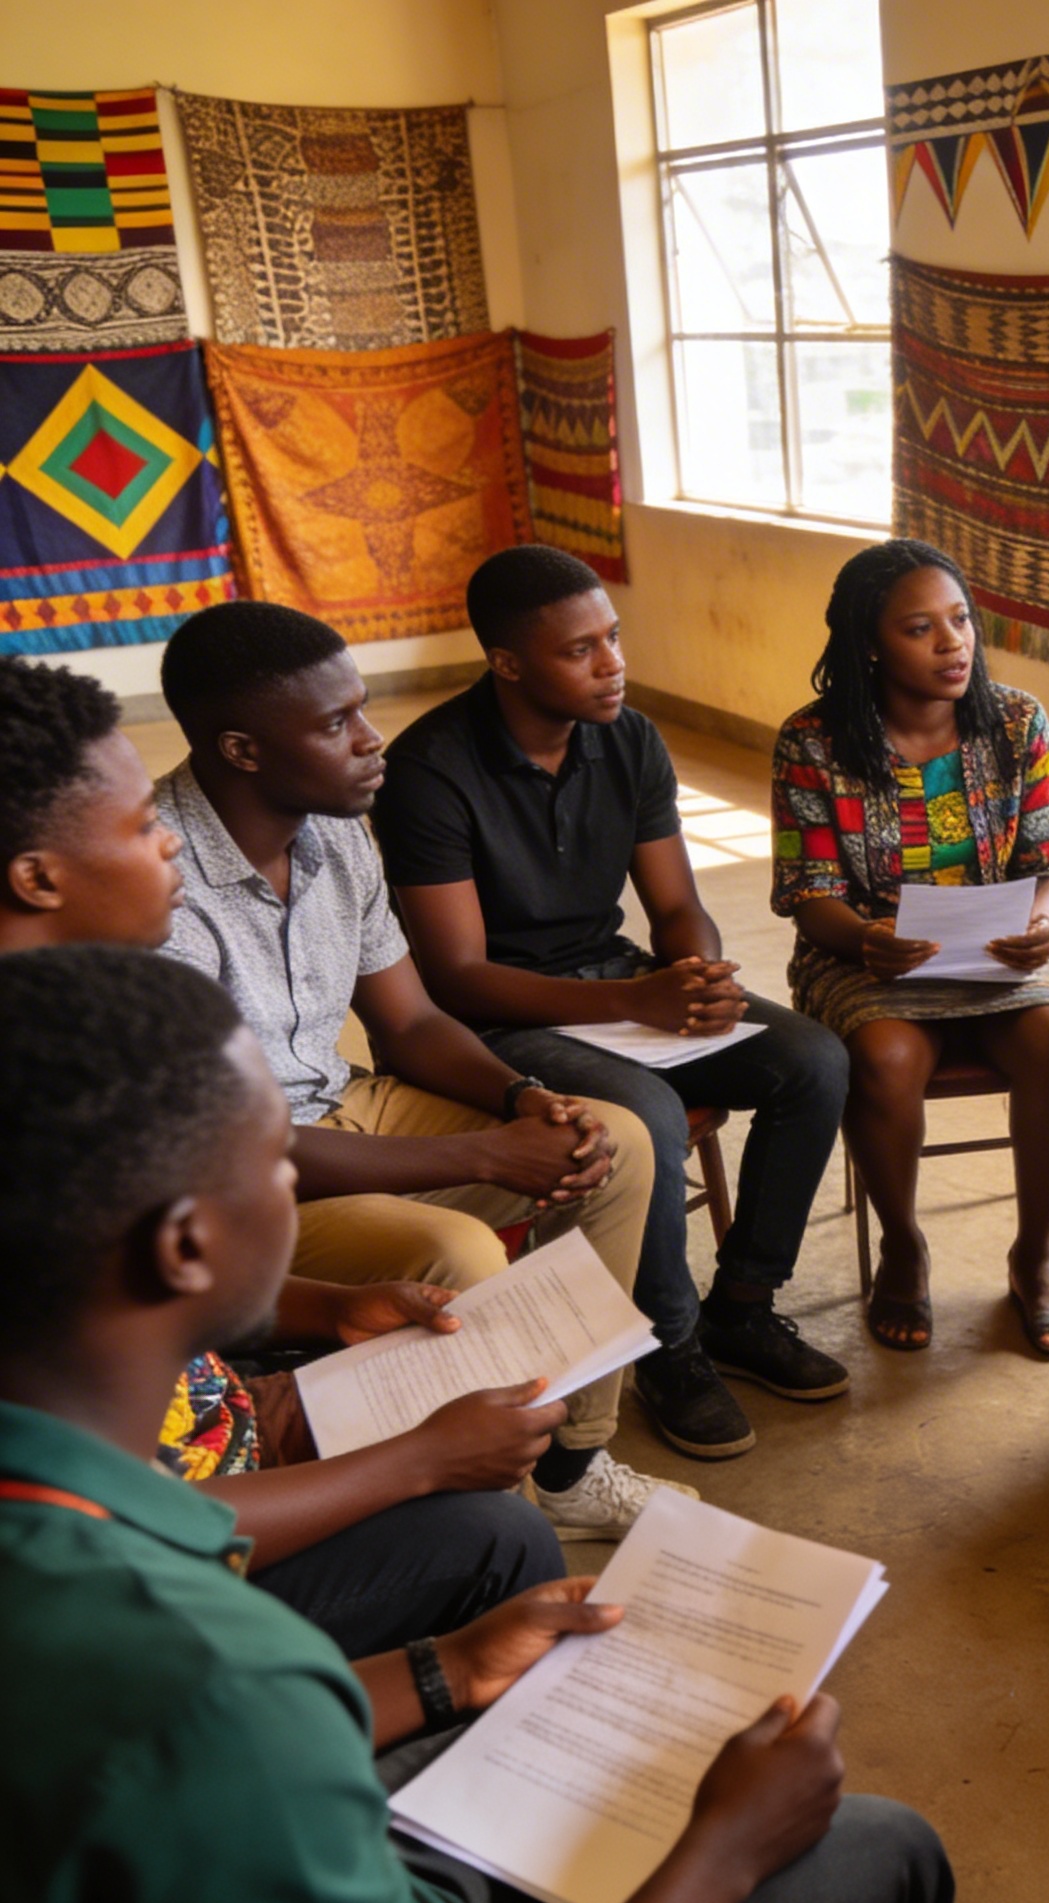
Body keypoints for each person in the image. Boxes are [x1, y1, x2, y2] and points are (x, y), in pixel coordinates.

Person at [0, 944, 955, 1903]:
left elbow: (203, 1764)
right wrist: (720, 1856)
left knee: (508, 1618)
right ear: (187, 1244)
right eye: (277, 1160)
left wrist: (443, 1666)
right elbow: (225, 1744)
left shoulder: (88, 1557)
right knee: (879, 1850)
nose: (297, 1179)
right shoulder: (217, 1686)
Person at [0, 649, 572, 1652]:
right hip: (149, 1538)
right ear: (37, 875)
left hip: (219, 1412)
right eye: (141, 828)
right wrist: (417, 1464)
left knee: (476, 1438)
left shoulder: (92, 1022)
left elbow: (148, 1290)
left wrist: (329, 1306)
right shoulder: (52, 1095)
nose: (168, 845)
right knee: (492, 1533)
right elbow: (110, 1522)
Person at [153, 600, 696, 1541]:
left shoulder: (333, 831)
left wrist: (525, 1100)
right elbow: (233, 1145)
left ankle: (568, 1463)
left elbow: (405, 1020)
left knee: (619, 1145)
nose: (373, 743)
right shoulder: (158, 880)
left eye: (362, 710)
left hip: (347, 1101)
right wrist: (489, 1157)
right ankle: (498, 1523)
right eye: (337, 725)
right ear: (241, 750)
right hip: (240, 1183)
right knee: (458, 1253)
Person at [375, 545, 853, 1459]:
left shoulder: (628, 736)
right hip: (501, 1018)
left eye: (614, 637)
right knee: (646, 1110)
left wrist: (701, 975)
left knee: (815, 1059)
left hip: (613, 978)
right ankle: (671, 1350)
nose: (612, 664)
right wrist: (640, 997)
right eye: (580, 650)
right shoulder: (429, 771)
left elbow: (676, 905)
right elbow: (454, 978)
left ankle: (744, 1309)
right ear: (508, 663)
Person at [771, 539, 1049, 1355]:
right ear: (870, 643)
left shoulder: (1016, 722)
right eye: (921, 628)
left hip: (1008, 950)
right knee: (882, 1060)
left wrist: (1044, 925)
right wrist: (867, 939)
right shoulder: (813, 742)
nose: (954, 643)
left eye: (960, 620)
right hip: (869, 955)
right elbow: (809, 891)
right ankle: (903, 1247)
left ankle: (1034, 1253)